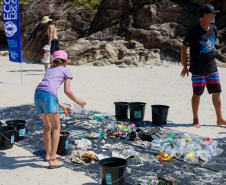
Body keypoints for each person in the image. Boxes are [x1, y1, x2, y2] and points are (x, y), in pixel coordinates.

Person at [34, 50, 86, 168]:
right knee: (56, 128)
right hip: (48, 96)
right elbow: (66, 91)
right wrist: (78, 101)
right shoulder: (65, 70)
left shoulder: (49, 70)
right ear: (65, 62)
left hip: (37, 94)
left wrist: (62, 106)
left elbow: (47, 90)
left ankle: (48, 154)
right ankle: (52, 160)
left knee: (47, 126)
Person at [180, 4, 226, 128]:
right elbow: (184, 48)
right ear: (205, 15)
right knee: (197, 94)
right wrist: (185, 66)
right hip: (198, 69)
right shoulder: (194, 31)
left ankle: (220, 119)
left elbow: (210, 46)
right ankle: (195, 119)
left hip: (212, 68)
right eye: (212, 13)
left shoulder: (213, 29)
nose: (215, 15)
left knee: (217, 92)